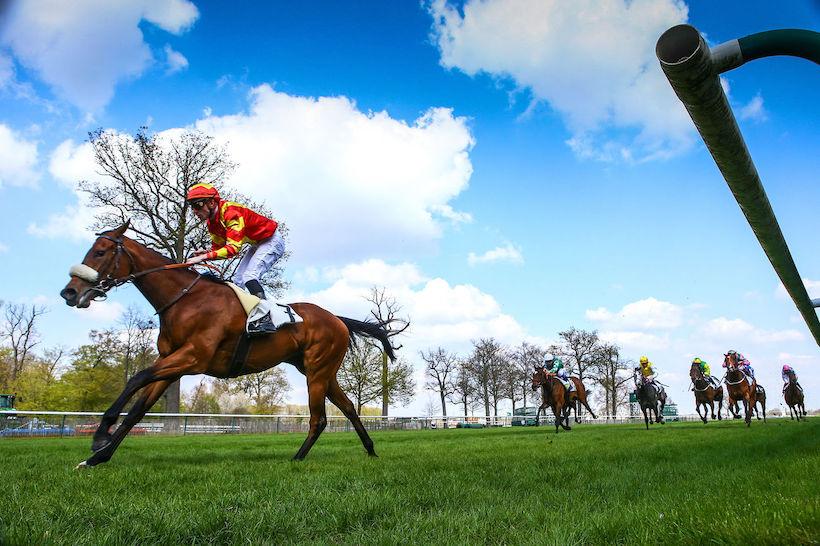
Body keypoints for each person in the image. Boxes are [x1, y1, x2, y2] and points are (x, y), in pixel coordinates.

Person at [184, 182, 285, 334]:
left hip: (272, 240)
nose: (194, 211)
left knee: (249, 276)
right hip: (257, 243)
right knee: (238, 281)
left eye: (197, 205)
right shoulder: (212, 223)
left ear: (211, 202)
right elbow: (218, 249)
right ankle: (242, 317)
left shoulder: (231, 213)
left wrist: (204, 257)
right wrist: (204, 253)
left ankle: (265, 318)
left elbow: (232, 250)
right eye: (192, 207)